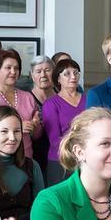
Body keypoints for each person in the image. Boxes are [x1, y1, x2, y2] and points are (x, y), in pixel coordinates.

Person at [0, 106, 44, 220]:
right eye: (4, 131)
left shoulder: (32, 166)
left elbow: (41, 211)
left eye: (17, 131)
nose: (12, 138)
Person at [0, 49, 42, 159]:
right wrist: (16, 127)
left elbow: (37, 136)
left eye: (16, 68)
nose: (13, 72)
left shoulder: (28, 97)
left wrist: (35, 126)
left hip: (26, 158)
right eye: (8, 68)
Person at [42, 58, 86, 186]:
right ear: (58, 79)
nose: (73, 76)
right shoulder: (51, 104)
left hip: (86, 159)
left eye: (76, 72)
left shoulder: (88, 98)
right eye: (67, 74)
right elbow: (55, 140)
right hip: (60, 162)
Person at [29, 55, 57, 174]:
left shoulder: (62, 96)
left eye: (47, 70)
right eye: (38, 71)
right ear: (32, 75)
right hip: (35, 156)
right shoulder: (27, 99)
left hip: (59, 156)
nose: (43, 75)